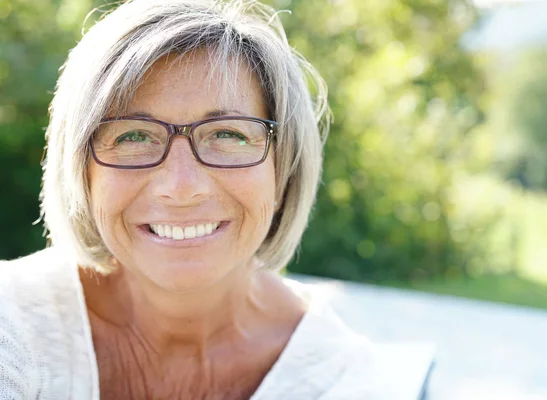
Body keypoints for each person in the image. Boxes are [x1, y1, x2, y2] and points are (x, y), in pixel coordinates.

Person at [0, 0, 433, 398]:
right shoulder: (12, 325)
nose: (182, 185)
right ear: (81, 171)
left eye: (228, 134)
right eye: (134, 135)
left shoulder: (351, 382)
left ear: (283, 170)